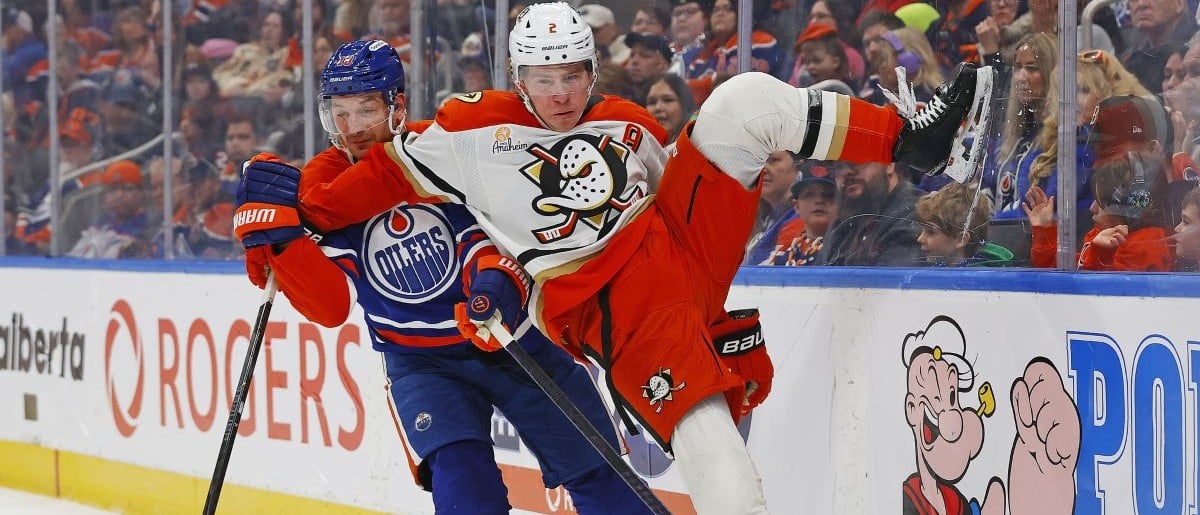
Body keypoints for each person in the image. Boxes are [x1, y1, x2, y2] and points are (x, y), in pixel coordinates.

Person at [236, 4, 989, 511]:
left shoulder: (626, 120)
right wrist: (276, 207)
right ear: (518, 76)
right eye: (544, 79)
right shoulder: (461, 136)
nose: (561, 93)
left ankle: (913, 141)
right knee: (714, 459)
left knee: (741, 104)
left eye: (573, 75)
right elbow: (336, 204)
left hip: (677, 250)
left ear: (592, 70)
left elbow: (678, 183)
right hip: (619, 313)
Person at [235, 39, 655, 514]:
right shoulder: (322, 181)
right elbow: (330, 307)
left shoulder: (441, 147)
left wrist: (498, 280)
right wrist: (279, 239)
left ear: (396, 105)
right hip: (421, 364)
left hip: (513, 340)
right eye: (340, 112)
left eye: (366, 110)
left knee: (600, 476)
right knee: (465, 490)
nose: (351, 128)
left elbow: (494, 236)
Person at [815, 161, 926, 266]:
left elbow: (891, 277)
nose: (846, 172)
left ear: (889, 164)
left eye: (857, 160)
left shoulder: (917, 214)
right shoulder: (842, 225)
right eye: (838, 167)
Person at [914, 181, 1013, 266]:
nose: (920, 239)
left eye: (930, 232)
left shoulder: (978, 279)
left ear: (960, 239)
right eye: (922, 230)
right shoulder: (939, 269)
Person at [766, 161, 839, 266]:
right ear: (796, 206)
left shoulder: (847, 250)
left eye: (829, 195)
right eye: (809, 194)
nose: (819, 200)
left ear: (840, 204)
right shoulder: (783, 255)